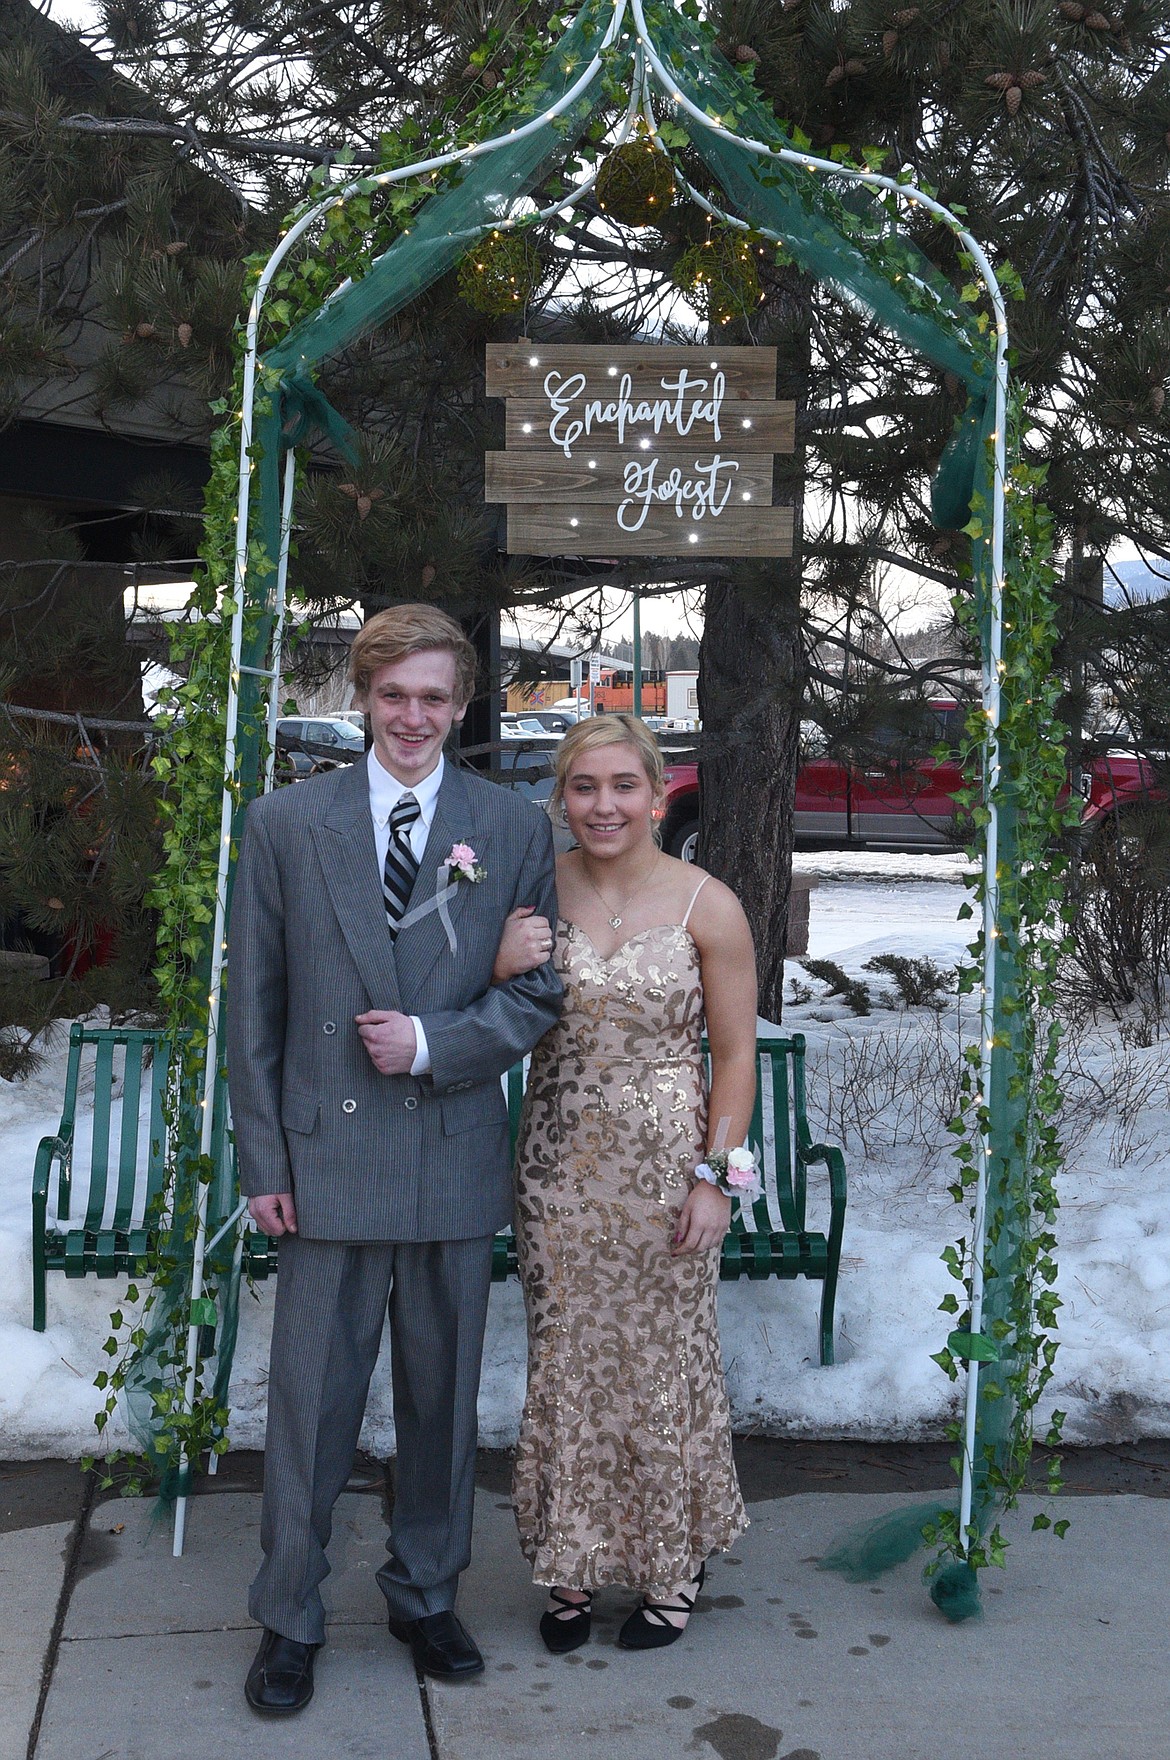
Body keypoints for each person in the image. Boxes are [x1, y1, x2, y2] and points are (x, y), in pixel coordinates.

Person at [226, 604, 562, 1713]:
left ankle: (426, 1592)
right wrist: (263, 1158)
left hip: (451, 1149)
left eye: (434, 696)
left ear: (461, 704)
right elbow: (255, 1009)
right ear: (361, 697)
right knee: (309, 1408)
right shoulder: (284, 822)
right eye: (392, 694)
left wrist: (435, 1041)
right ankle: (289, 1613)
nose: (413, 715)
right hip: (323, 1159)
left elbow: (536, 990)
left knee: (440, 1396)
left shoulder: (508, 823)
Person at [493, 713, 757, 1653]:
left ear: (654, 794)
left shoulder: (707, 904)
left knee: (660, 1369)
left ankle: (669, 1567)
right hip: (558, 1171)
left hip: (663, 1175)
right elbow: (487, 1015)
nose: (603, 806)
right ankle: (569, 1566)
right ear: (560, 800)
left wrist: (715, 1177)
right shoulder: (530, 896)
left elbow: (733, 1055)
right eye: (583, 788)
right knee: (565, 1363)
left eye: (622, 787)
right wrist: (496, 963)